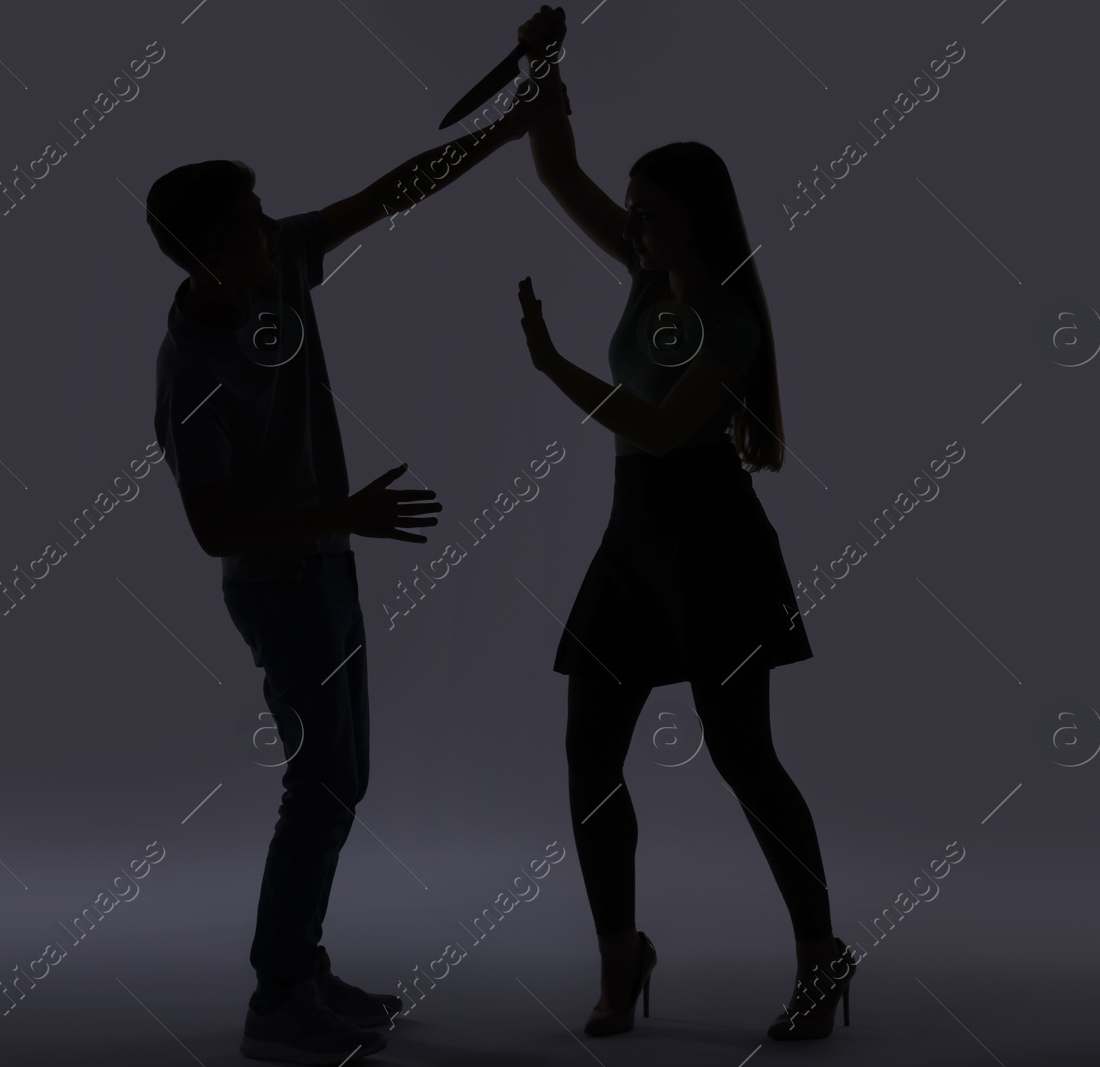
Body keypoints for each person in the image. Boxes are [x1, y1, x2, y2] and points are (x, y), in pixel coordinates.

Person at [142, 29, 567, 1065]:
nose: (270, 227)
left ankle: (302, 964)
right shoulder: (190, 366)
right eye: (247, 223)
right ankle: (276, 996)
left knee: (343, 779)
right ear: (205, 253)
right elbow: (211, 530)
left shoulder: (276, 259)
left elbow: (390, 190)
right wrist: (343, 516)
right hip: (278, 588)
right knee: (319, 782)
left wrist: (511, 126)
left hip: (326, 566)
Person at [512, 5, 857, 1043]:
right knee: (587, 759)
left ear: (696, 220)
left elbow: (663, 431)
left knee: (743, 756)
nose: (635, 227)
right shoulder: (647, 275)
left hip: (712, 548)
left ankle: (819, 954)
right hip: (632, 547)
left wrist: (552, 365)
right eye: (634, 213)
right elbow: (555, 168)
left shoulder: (731, 323)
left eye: (650, 214)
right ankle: (622, 956)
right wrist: (540, 67)